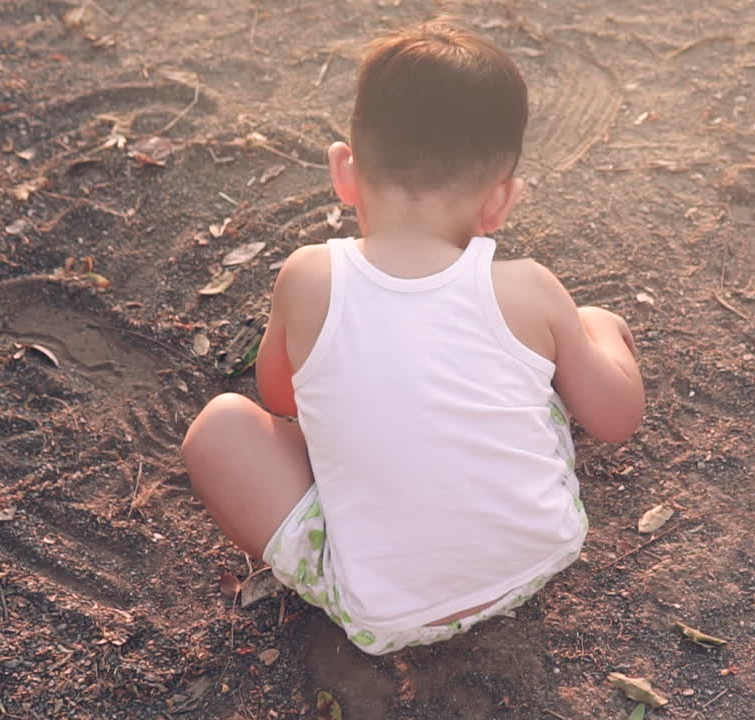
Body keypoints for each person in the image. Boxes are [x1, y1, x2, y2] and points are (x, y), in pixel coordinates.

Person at [181, 18, 644, 655]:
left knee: (220, 429)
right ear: (500, 202)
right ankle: (593, 335)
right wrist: (603, 331)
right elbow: (617, 420)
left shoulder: (309, 277)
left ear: (345, 172)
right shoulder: (531, 288)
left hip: (387, 614)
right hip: (541, 552)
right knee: (574, 338)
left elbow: (282, 400)